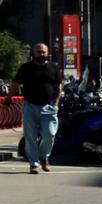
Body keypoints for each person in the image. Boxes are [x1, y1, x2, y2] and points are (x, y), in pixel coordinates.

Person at [14, 42, 61, 174]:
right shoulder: (26, 68)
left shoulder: (53, 68)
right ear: (33, 53)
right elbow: (15, 83)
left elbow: (58, 87)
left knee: (50, 134)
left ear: (48, 53)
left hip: (49, 107)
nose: (41, 54)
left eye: (43, 52)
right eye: (39, 52)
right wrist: (8, 98)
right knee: (30, 137)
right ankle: (34, 164)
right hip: (30, 106)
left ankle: (44, 157)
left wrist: (56, 103)